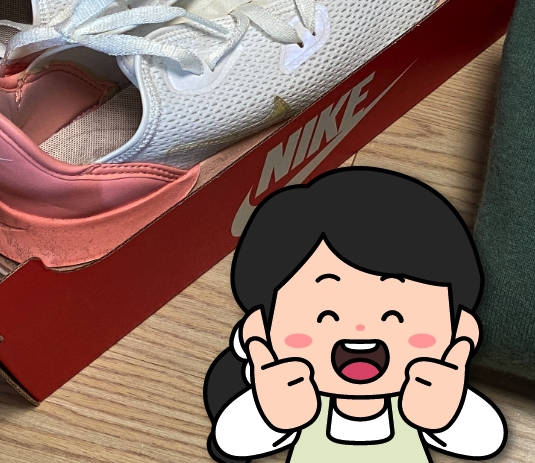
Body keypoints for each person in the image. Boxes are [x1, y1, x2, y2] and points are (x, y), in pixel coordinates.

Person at [204, 166, 507, 462]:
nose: (360, 331)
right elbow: (231, 443)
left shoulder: (423, 399)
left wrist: (448, 414)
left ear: (460, 328)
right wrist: (270, 415)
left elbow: (485, 441)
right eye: (325, 316)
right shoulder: (295, 400)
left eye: (395, 316)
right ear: (259, 329)